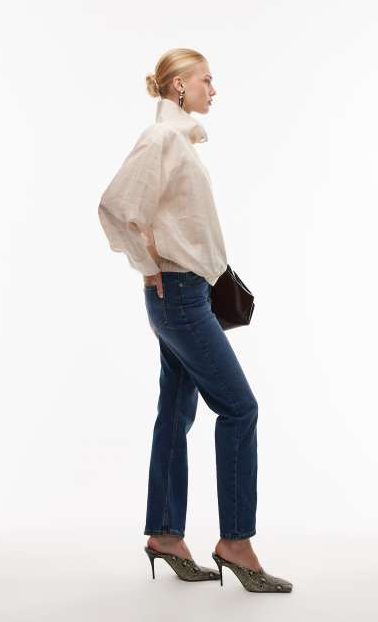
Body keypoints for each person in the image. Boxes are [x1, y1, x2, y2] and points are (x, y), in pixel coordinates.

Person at [98, 48, 292, 592]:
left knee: (176, 413)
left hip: (187, 295)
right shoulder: (162, 139)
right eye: (207, 79)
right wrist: (147, 266)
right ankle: (236, 543)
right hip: (179, 296)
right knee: (239, 408)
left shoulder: (179, 142)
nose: (214, 88)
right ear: (179, 86)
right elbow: (115, 206)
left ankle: (165, 533)